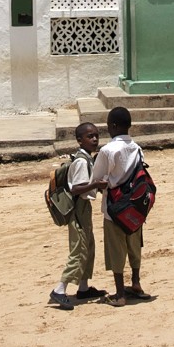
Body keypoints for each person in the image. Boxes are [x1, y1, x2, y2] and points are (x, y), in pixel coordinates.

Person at [88, 107, 153, 307]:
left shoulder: (107, 151)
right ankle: (136, 283)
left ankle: (119, 294)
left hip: (114, 208)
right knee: (134, 246)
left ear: (113, 126)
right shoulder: (137, 147)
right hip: (134, 207)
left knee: (116, 249)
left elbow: (97, 179)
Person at [48, 122, 106, 310]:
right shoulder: (81, 161)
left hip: (84, 207)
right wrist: (96, 184)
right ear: (80, 140)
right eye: (90, 136)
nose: (95, 139)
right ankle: (60, 289)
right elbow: (76, 189)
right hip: (78, 208)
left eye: (96, 135)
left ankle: (83, 287)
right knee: (79, 249)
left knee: (88, 246)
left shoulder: (85, 158)